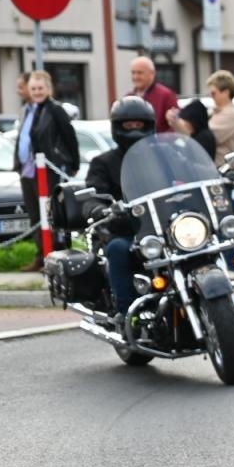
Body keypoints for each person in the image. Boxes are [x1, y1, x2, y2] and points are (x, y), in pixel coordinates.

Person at [87, 96, 157, 316]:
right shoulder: (103, 163)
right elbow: (93, 194)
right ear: (118, 127)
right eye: (129, 125)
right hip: (126, 229)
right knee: (117, 249)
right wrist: (98, 208)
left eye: (140, 124)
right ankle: (126, 314)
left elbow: (186, 175)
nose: (135, 129)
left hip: (162, 228)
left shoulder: (161, 157)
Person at [12, 69, 79, 272]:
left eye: (41, 88)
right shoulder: (27, 109)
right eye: (33, 88)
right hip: (28, 170)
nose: (37, 92)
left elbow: (69, 137)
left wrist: (72, 164)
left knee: (52, 213)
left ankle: (57, 253)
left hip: (48, 169)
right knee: (34, 215)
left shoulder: (55, 110)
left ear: (48, 89)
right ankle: (41, 254)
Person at [129, 56, 179, 134]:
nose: (135, 77)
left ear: (152, 74)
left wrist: (161, 141)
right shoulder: (128, 98)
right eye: (133, 72)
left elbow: (175, 126)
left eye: (140, 73)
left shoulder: (166, 95)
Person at [205, 70, 234, 166]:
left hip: (223, 170)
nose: (211, 96)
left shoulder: (231, 114)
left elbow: (208, 137)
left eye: (213, 93)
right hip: (213, 168)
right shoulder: (213, 111)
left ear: (226, 92)